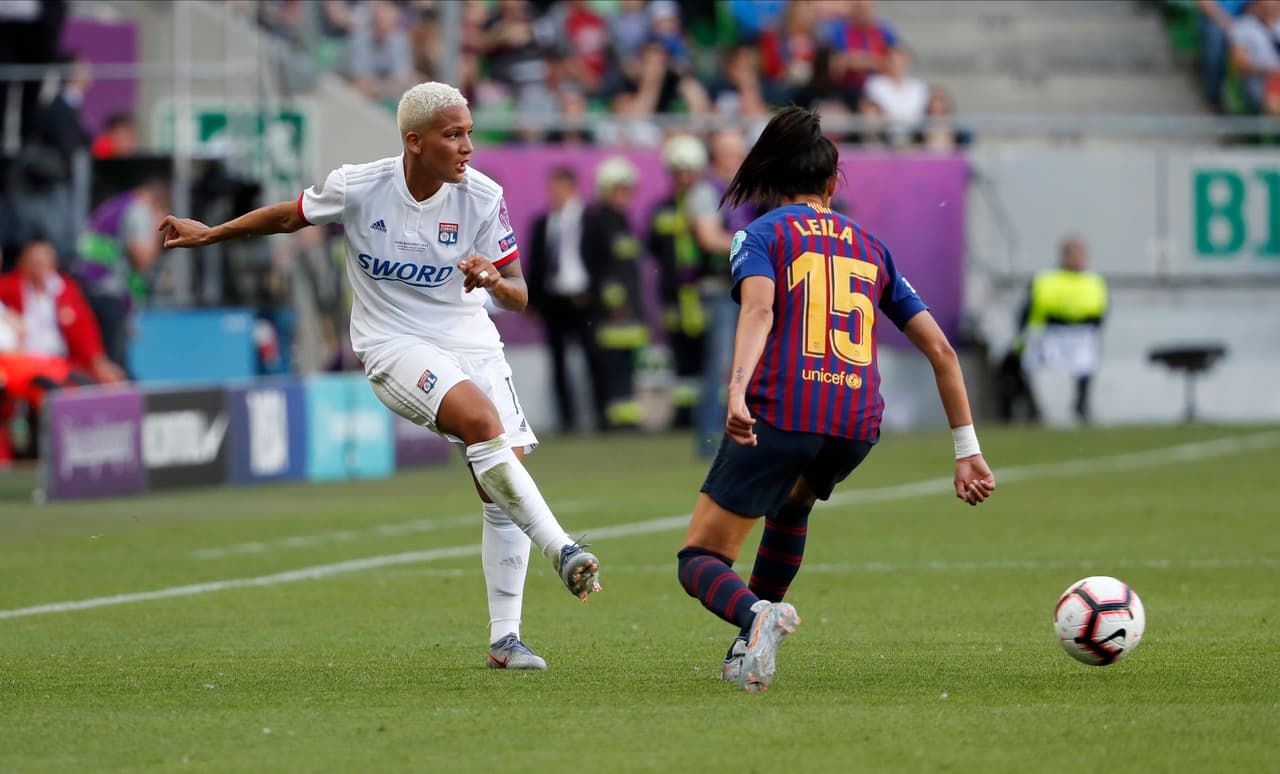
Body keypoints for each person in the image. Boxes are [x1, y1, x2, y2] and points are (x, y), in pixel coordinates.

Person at [158, 82, 601, 671]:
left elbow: (520, 293)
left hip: (471, 340)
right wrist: (213, 232)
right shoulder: (360, 185)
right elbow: (289, 217)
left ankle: (505, 640)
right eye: (453, 135)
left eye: (469, 132)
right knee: (482, 423)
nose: (467, 145)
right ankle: (562, 547)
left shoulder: (482, 196)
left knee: (500, 479)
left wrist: (493, 281)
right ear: (414, 142)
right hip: (392, 345)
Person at [675, 107, 995, 692]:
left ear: (771, 181)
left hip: (784, 412)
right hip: (855, 422)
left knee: (699, 558)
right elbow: (943, 352)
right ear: (830, 183)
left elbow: (759, 309)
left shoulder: (761, 233)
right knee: (792, 506)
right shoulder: (871, 246)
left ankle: (756, 615)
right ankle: (752, 647)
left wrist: (737, 389)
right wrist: (966, 449)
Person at [526, 166, 609, 432]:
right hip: (554, 300)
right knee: (558, 361)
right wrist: (532, 301)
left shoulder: (592, 219)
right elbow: (536, 264)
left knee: (593, 358)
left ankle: (602, 417)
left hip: (582, 298)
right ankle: (567, 420)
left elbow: (602, 261)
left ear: (572, 188)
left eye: (559, 188)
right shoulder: (542, 223)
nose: (555, 194)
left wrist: (595, 294)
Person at [581, 156, 648, 430]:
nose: (624, 194)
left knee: (628, 371)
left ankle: (627, 422)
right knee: (612, 371)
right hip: (611, 315)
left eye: (627, 189)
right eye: (619, 189)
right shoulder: (598, 221)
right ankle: (613, 423)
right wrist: (614, 301)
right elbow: (597, 266)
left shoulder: (623, 220)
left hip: (630, 312)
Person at [648, 134, 710, 429]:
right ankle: (686, 417)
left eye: (688, 170)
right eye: (678, 171)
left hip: (703, 294)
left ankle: (706, 415)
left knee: (708, 356)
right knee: (681, 355)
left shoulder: (709, 205)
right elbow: (652, 249)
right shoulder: (661, 209)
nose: (683, 177)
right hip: (674, 297)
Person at [1015, 236, 1108, 424]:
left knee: (1085, 367)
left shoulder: (1093, 280)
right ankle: (1036, 410)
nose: (1080, 260)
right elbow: (1028, 307)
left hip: (1082, 333)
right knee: (1028, 366)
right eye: (1076, 255)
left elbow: (1102, 310)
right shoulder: (1046, 279)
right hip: (1050, 333)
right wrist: (1023, 332)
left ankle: (1081, 406)